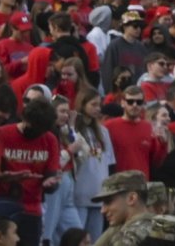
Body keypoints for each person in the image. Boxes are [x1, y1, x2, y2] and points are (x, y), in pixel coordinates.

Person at [0, 96, 60, 246]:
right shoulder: (3, 134)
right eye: (32, 127)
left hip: (32, 209)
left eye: (40, 131)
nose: (36, 133)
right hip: (3, 206)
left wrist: (50, 183)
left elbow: (51, 176)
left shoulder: (49, 139)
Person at [71, 88, 114, 240]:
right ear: (82, 105)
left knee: (95, 239)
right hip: (79, 193)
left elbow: (108, 164)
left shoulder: (103, 131)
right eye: (93, 104)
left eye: (99, 104)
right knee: (78, 238)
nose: (98, 108)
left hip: (99, 194)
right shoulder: (73, 131)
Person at [42, 96, 84, 246]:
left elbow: (82, 152)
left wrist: (72, 126)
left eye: (67, 112)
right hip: (55, 184)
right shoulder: (47, 133)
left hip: (68, 183)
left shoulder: (64, 131)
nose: (66, 115)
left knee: (78, 235)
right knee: (47, 232)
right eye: (62, 111)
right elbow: (53, 163)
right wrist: (69, 150)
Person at [103, 86, 166, 177]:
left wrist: (163, 145)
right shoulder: (109, 127)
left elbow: (156, 161)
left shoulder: (149, 127)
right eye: (130, 101)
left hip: (142, 184)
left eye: (139, 102)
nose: (134, 105)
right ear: (122, 103)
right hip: (117, 184)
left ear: (143, 104)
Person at [90, 171, 154, 246]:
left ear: (131, 198)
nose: (102, 210)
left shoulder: (128, 238)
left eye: (108, 202)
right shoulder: (160, 227)